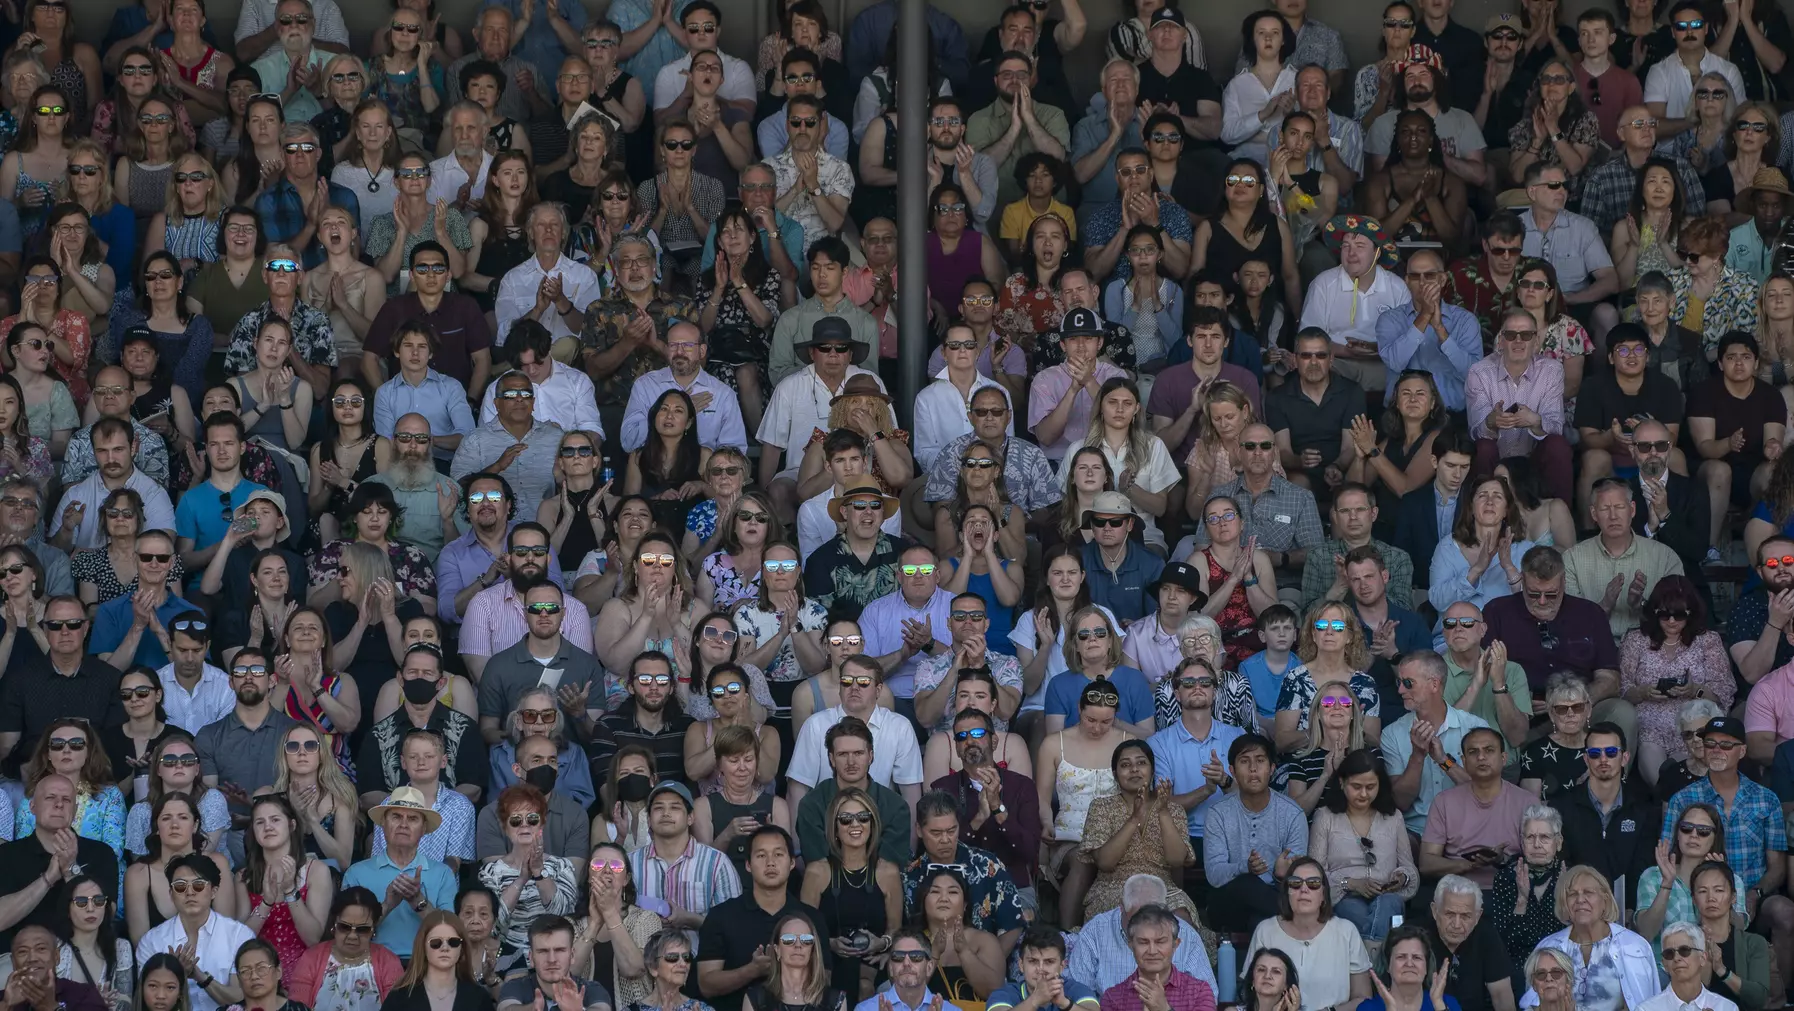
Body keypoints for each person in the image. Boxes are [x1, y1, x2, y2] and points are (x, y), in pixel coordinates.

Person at [1619, 579, 1732, 782]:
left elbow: (1723, 690)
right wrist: (1643, 692)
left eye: (1679, 615)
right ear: (1654, 612)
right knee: (1660, 781)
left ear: (1691, 613)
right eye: (1664, 614)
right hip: (1650, 727)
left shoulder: (1708, 640)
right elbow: (1623, 689)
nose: (1671, 621)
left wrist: (1694, 690)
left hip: (1692, 728)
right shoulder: (1636, 639)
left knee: (1688, 782)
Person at [1201, 733, 1308, 934]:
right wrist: (1245, 867)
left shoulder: (1292, 814)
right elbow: (1214, 875)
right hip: (1229, 904)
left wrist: (1279, 876)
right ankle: (1298, 921)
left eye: (1260, 761)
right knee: (1245, 883)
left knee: (1260, 923)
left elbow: (1298, 877)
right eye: (1244, 761)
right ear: (1232, 770)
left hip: (1275, 896)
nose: (1253, 769)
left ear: (1272, 769)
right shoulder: (1218, 813)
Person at [1241, 855, 1373, 1011]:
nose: (1304, 889)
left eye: (1313, 883)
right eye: (1295, 883)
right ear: (1287, 892)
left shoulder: (1346, 931)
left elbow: (1363, 998)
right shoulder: (1265, 930)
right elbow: (1249, 993)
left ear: (1323, 894)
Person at [1524, 865, 1660, 1011]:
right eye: (1572, 894)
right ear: (1564, 903)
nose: (1580, 899)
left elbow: (1650, 1004)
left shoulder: (1634, 946)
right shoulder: (1549, 948)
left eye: (1588, 892)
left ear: (1605, 900)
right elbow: (1531, 1005)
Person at [1384, 650, 1488, 833]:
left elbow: (1485, 793)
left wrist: (1444, 761)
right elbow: (1400, 802)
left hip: (1468, 829)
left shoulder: (1475, 727)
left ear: (1434, 684)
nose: (1400, 690)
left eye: (1408, 683)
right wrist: (1417, 756)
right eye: (1399, 682)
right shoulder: (1392, 734)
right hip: (1416, 831)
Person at [379, 911, 496, 1011]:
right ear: (423, 947)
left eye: (453, 942)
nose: (445, 948)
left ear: (462, 947)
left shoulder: (478, 998)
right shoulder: (399, 998)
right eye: (436, 942)